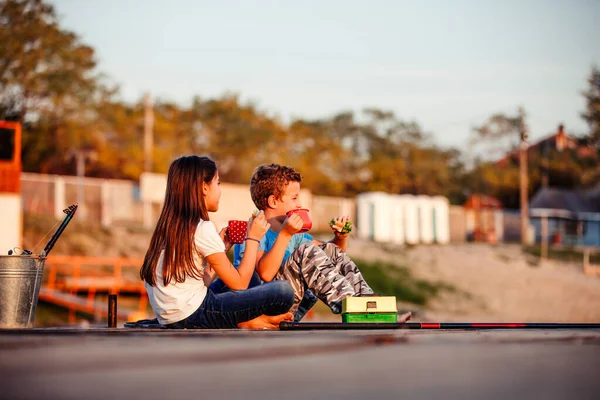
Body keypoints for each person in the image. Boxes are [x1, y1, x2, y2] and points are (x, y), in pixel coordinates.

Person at [230, 163, 412, 323]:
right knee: (306, 251)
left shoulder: (296, 235)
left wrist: (340, 237)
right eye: (294, 198)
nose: (299, 203)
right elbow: (266, 274)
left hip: (292, 307)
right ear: (273, 200)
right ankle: (356, 309)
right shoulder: (254, 231)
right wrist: (285, 234)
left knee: (329, 249)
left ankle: (372, 308)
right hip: (263, 309)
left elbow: (329, 259)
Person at [140, 156, 294, 330]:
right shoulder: (201, 227)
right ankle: (246, 322)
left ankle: (250, 320)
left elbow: (199, 283)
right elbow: (240, 285)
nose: (220, 191)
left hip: (175, 316)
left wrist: (221, 250)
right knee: (283, 291)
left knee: (253, 276)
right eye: (218, 183)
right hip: (195, 315)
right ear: (204, 187)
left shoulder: (169, 228)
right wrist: (253, 238)